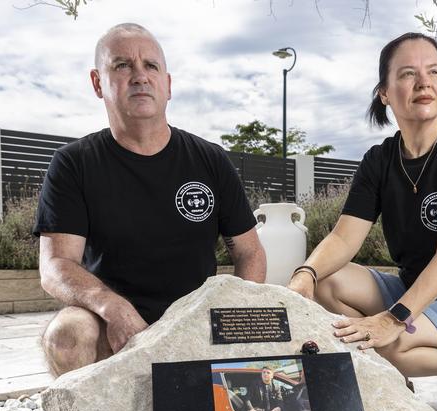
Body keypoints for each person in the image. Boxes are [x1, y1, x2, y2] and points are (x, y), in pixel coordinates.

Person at [288, 32, 437, 411]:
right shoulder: (379, 160)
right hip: (418, 293)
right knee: (328, 281)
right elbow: (345, 236)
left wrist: (393, 319)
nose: (424, 82)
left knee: (390, 344)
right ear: (384, 92)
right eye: (409, 73)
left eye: (434, 72)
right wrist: (304, 274)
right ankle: (394, 373)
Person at [34, 23, 266, 377]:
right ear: (98, 83)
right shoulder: (74, 163)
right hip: (111, 324)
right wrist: (112, 307)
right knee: (67, 335)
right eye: (123, 65)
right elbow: (55, 266)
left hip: (194, 322)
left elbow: (249, 251)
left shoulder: (209, 160)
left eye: (151, 66)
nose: (140, 76)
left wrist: (233, 316)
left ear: (168, 85)